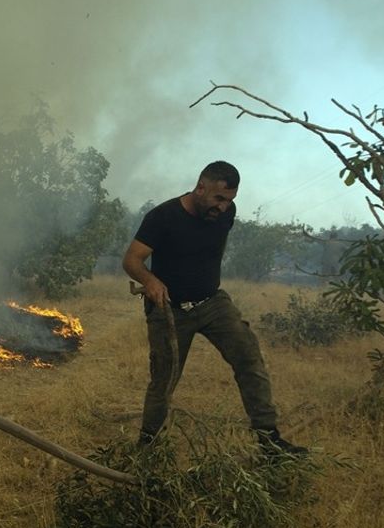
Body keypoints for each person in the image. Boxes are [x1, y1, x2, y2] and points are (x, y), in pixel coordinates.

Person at [122, 160, 306, 456]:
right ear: (200, 187)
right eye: (218, 198)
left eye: (229, 201)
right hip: (169, 309)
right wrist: (151, 281)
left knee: (249, 358)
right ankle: (147, 448)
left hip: (213, 302)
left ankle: (270, 441)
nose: (222, 207)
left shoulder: (226, 214)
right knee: (164, 379)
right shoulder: (163, 217)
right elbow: (131, 260)